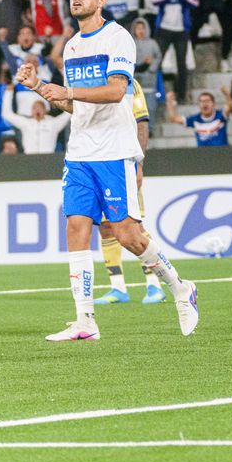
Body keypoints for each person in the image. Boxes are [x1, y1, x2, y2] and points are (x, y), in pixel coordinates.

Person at [14, 0, 200, 341]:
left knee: (128, 235)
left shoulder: (119, 38)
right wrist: (39, 87)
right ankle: (85, 320)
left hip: (114, 151)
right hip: (80, 152)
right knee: (76, 228)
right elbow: (76, 107)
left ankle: (180, 287)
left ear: (102, 0)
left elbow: (116, 92)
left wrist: (69, 90)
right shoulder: (70, 47)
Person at [94, 77, 166, 306]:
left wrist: (138, 164)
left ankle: (155, 284)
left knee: (133, 225)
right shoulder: (90, 78)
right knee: (105, 227)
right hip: (95, 161)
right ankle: (117, 288)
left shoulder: (128, 82)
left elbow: (142, 122)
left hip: (122, 164)